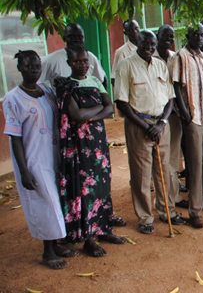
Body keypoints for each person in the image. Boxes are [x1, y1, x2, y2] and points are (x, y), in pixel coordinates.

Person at [4, 50, 73, 269]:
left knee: (57, 200)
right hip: (34, 161)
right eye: (28, 66)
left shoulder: (46, 90)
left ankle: (57, 244)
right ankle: (47, 252)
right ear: (20, 68)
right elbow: (15, 138)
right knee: (46, 203)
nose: (34, 69)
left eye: (36, 65)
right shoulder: (13, 98)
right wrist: (24, 171)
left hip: (53, 155)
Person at [57, 47, 126, 257]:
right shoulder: (66, 86)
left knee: (102, 186)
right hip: (80, 147)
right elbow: (76, 115)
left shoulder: (95, 81)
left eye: (85, 61)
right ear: (69, 63)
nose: (83, 65)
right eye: (78, 62)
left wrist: (89, 115)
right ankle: (89, 238)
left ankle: (103, 229)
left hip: (98, 143)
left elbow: (110, 108)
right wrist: (96, 111)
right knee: (85, 190)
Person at [114, 30, 182, 234]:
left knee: (164, 171)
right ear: (137, 43)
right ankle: (145, 218)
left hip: (161, 125)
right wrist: (146, 126)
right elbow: (122, 102)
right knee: (142, 175)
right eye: (145, 43)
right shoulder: (125, 65)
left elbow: (170, 98)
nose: (149, 47)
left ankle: (166, 210)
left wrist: (161, 123)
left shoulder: (161, 65)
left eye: (152, 44)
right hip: (139, 125)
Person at [172, 24, 203, 230]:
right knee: (195, 163)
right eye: (196, 35)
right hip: (193, 117)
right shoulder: (180, 56)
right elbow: (176, 86)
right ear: (188, 36)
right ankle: (195, 210)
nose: (200, 38)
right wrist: (185, 114)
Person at [153, 25, 188, 207]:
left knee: (174, 157)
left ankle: (173, 197)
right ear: (157, 36)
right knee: (159, 159)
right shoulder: (150, 58)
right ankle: (162, 200)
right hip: (155, 117)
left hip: (173, 115)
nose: (168, 39)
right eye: (164, 35)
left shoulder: (175, 57)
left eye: (171, 36)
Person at [39, 23, 106, 88]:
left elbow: (102, 80)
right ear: (64, 38)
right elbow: (36, 82)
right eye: (71, 37)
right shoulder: (51, 60)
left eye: (80, 37)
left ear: (84, 39)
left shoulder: (90, 57)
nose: (76, 40)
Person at [111, 20, 140, 86]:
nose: (134, 32)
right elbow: (114, 79)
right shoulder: (121, 52)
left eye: (136, 28)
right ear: (125, 33)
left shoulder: (147, 49)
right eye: (130, 30)